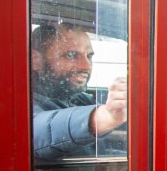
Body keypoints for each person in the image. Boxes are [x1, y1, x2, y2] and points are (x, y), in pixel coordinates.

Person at [31, 22, 127, 161]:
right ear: (36, 60)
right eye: (71, 55)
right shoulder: (23, 103)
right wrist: (105, 116)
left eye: (89, 56)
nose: (86, 66)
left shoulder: (78, 99)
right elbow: (38, 130)